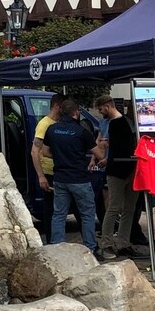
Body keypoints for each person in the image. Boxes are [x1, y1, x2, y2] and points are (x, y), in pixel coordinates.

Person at [43, 99, 105, 260]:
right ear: (76, 113)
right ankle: (90, 247)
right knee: (87, 214)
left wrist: (60, 156)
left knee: (59, 214)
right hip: (80, 179)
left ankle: (57, 246)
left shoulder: (51, 130)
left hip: (60, 178)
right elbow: (99, 155)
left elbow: (45, 152)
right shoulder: (81, 132)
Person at [95, 95, 144, 259]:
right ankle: (107, 243)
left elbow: (117, 147)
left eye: (101, 109)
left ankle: (122, 242)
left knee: (127, 208)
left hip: (125, 168)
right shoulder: (119, 123)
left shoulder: (118, 123)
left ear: (107, 106)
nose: (101, 113)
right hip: (120, 169)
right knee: (115, 207)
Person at [31, 93, 65, 239]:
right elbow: (34, 151)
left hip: (58, 171)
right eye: (64, 106)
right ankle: (52, 241)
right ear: (57, 106)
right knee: (51, 209)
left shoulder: (57, 123)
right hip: (49, 173)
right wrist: (41, 176)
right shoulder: (45, 124)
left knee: (57, 209)